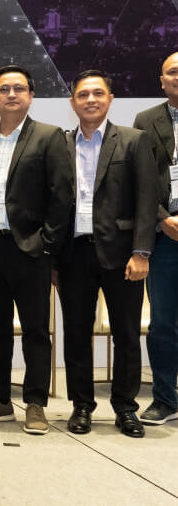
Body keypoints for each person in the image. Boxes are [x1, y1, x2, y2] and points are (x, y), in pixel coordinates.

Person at [0, 66, 72, 435]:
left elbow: (62, 196)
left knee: (35, 330)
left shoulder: (48, 136)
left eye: (19, 88)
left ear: (30, 95)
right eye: (3, 89)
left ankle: (36, 403)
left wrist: (46, 245)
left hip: (29, 249)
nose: (11, 94)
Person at [57, 70, 158, 438]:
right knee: (76, 334)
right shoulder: (61, 143)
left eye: (98, 93)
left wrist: (141, 252)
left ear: (110, 99)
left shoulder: (133, 141)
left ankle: (126, 408)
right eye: (83, 94)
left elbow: (147, 199)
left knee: (126, 335)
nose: (91, 100)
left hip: (123, 255)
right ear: (72, 102)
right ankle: (82, 405)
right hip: (73, 255)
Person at [135, 52, 178, 426]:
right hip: (166, 237)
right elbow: (142, 180)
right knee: (163, 322)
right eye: (173, 72)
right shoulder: (146, 121)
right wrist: (163, 219)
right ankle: (165, 398)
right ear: (161, 80)